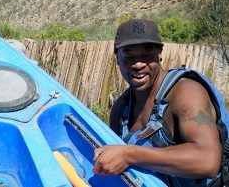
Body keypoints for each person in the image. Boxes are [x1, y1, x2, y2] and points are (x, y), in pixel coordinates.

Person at [93, 19, 229, 187]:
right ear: (117, 58)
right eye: (129, 56)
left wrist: (130, 154)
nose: (138, 64)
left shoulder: (185, 92)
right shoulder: (121, 110)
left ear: (160, 54)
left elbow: (207, 161)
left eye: (148, 54)